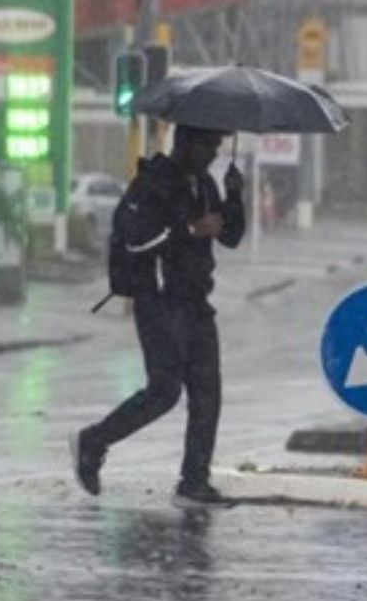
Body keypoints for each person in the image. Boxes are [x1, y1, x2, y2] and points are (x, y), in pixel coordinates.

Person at [71, 124, 246, 507]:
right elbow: (136, 240)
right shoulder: (152, 184)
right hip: (160, 302)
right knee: (164, 391)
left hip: (196, 302)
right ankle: (94, 440)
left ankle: (194, 482)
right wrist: (191, 229)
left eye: (217, 146)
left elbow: (230, 236)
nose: (213, 153)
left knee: (207, 395)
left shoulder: (205, 185)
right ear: (184, 143)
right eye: (206, 145)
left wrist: (234, 195)